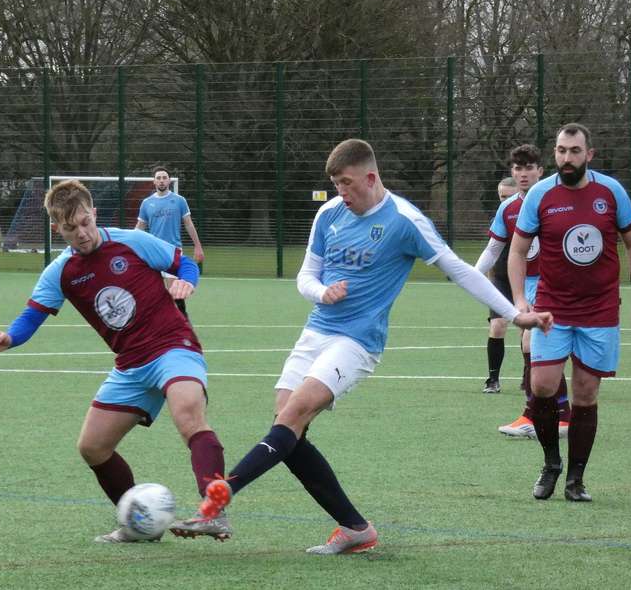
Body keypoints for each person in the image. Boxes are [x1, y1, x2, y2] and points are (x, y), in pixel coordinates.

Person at [194, 138, 552, 554]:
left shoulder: (404, 220)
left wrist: (514, 313)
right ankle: (355, 528)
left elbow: (459, 269)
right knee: (287, 430)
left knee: (291, 416)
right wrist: (321, 291)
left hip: (358, 341)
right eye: (335, 185)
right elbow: (306, 276)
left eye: (346, 183)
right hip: (316, 332)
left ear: (370, 177)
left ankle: (220, 499)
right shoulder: (329, 213)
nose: (340, 193)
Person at [0, 180, 229, 543]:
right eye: (70, 228)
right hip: (130, 363)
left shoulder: (132, 241)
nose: (81, 233)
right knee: (92, 447)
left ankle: (214, 512)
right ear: (56, 229)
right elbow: (31, 316)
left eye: (85, 222)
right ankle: (140, 525)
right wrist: (8, 338)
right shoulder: (60, 272)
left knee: (188, 412)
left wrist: (186, 283)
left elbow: (184, 264)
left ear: (94, 213)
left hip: (173, 345)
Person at [509, 123, 631, 503]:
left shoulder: (611, 192)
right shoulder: (540, 194)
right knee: (541, 385)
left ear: (589, 154)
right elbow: (518, 250)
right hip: (552, 309)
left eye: (574, 151)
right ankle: (551, 464)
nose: (566, 158)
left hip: (600, 309)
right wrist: (521, 300)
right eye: (560, 150)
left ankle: (576, 479)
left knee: (586, 393)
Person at [476, 145, 570, 437]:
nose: (523, 174)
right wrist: (470, 275)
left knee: (532, 345)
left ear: (541, 171)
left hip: (551, 283)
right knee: (532, 346)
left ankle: (544, 414)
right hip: (524, 286)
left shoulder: (556, 199)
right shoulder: (509, 208)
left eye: (529, 168)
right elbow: (494, 250)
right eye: (518, 168)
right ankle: (556, 414)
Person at [136, 166, 204, 319]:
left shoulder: (179, 201)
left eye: (164, 177)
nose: (161, 180)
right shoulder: (147, 203)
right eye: (158, 178)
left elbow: (188, 224)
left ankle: (183, 320)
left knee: (175, 292)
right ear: (154, 181)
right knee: (152, 293)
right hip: (152, 253)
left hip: (172, 252)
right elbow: (139, 229)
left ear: (169, 180)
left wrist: (198, 246)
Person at [477, 176, 517, 394]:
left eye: (509, 197)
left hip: (527, 280)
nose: (505, 201)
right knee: (498, 326)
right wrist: (473, 275)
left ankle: (528, 377)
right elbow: (492, 251)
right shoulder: (502, 216)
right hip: (501, 278)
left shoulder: (532, 212)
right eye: (502, 197)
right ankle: (493, 379)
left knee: (528, 334)